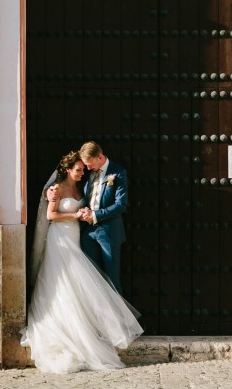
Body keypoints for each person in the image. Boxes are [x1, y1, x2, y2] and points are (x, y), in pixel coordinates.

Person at [21, 150, 142, 373]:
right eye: (78, 170)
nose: (82, 173)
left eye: (83, 169)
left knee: (80, 283)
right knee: (62, 282)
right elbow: (51, 216)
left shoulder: (82, 186)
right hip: (60, 239)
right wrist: (75, 216)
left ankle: (93, 330)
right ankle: (65, 329)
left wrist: (85, 214)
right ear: (67, 170)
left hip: (77, 237)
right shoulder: (56, 189)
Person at [78, 140, 128, 294]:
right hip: (87, 232)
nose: (87, 168)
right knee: (92, 278)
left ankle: (118, 318)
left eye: (89, 163)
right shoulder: (88, 173)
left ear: (99, 157)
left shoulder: (118, 172)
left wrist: (95, 215)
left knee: (112, 279)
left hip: (109, 232)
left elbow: (121, 205)